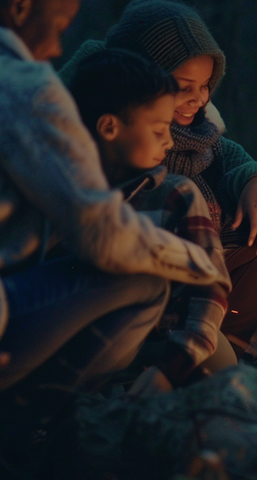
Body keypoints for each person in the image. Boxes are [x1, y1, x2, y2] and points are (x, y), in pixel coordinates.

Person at [0, 0, 229, 400]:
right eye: (59, 24)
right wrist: (201, 265)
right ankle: (42, 418)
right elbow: (101, 235)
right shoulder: (24, 86)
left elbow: (228, 150)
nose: (54, 48)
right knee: (143, 283)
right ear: (20, 6)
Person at [61, 0, 257, 355]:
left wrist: (256, 179)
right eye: (184, 86)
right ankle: (156, 349)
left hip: (207, 256)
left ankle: (233, 340)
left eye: (205, 85)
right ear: (144, 75)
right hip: (145, 267)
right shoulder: (115, 132)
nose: (198, 98)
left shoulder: (200, 130)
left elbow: (226, 152)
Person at [67, 49, 236, 391]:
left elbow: (211, 285)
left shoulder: (175, 195)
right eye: (159, 129)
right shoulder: (60, 192)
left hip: (159, 337)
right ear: (109, 127)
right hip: (77, 339)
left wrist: (172, 366)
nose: (169, 140)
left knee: (221, 364)